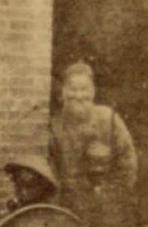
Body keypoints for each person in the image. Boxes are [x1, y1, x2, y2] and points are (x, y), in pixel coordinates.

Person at [48, 61, 138, 210]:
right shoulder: (54, 127)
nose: (79, 95)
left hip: (106, 206)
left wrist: (111, 198)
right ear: (63, 92)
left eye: (84, 89)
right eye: (73, 89)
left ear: (93, 91)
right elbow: (50, 175)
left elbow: (128, 164)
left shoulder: (109, 119)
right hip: (68, 209)